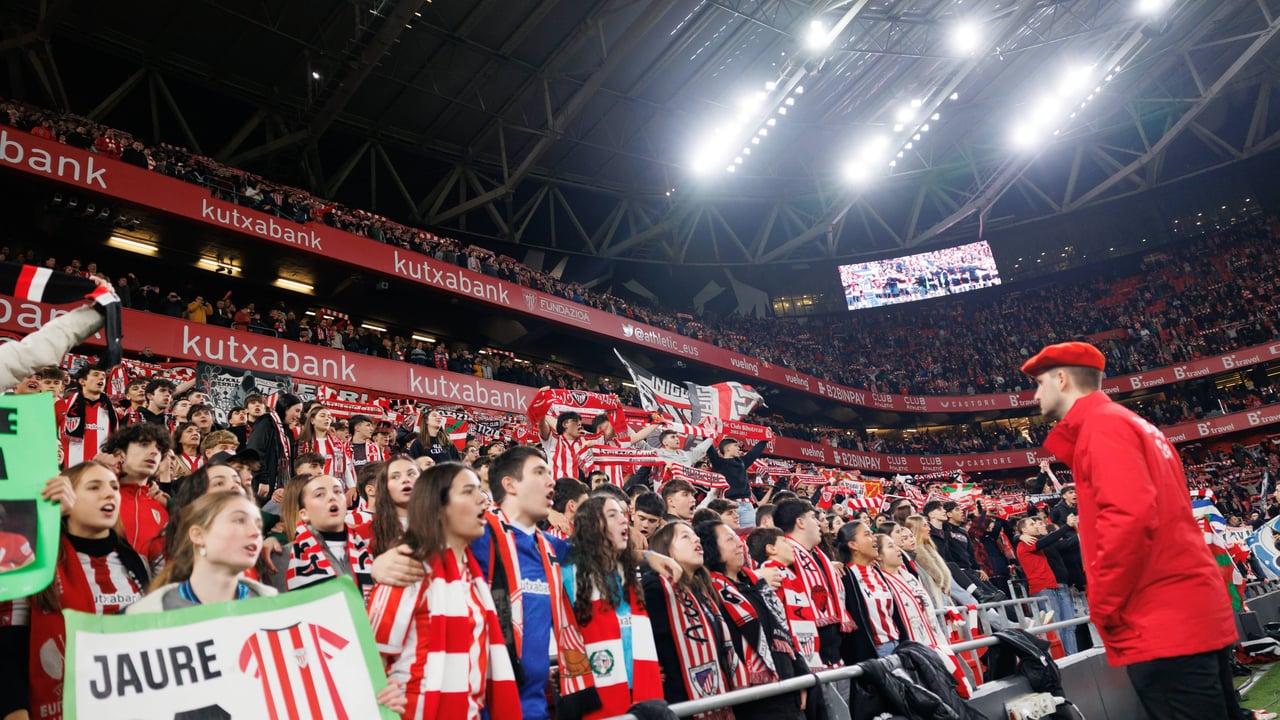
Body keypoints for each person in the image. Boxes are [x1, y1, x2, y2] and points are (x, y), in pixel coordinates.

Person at [1023, 341, 1240, 718]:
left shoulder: (1102, 427)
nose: (1036, 394)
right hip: (1183, 610)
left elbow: (1128, 521)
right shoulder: (1127, 423)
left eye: (1039, 383)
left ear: (1061, 378)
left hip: (1161, 618)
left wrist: (1104, 606)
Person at [366, 462, 517, 720]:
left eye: (480, 490)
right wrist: (375, 692)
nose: (483, 499)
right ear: (437, 508)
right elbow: (367, 658)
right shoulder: (407, 569)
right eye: (469, 491)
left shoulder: (472, 574)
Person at [0, 462, 148, 720]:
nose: (110, 493)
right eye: (94, 487)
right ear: (64, 498)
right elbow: (7, 651)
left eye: (114, 486)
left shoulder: (136, 561)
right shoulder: (32, 560)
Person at [695, 520, 808, 720]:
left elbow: (784, 633)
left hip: (788, 689)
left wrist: (801, 675)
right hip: (751, 700)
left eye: (738, 538)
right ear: (711, 548)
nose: (740, 544)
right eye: (730, 539)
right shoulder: (708, 593)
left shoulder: (756, 583)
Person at [561, 496, 662, 718]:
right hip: (595, 696)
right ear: (592, 524)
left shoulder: (626, 571)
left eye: (623, 514)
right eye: (612, 515)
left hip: (641, 694)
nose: (624, 521)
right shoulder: (567, 572)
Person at [642, 521, 748, 714]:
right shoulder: (654, 588)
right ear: (667, 550)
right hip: (680, 703)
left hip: (717, 697)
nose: (696, 539)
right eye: (685, 536)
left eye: (694, 535)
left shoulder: (704, 591)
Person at [775, 498, 852, 668]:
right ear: (800, 522)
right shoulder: (783, 555)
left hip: (835, 654)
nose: (818, 523)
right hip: (810, 656)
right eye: (813, 517)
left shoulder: (817, 554)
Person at [278, 473, 376, 599]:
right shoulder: (282, 557)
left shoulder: (371, 547)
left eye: (338, 491)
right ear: (304, 513)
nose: (332, 497)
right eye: (320, 494)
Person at [100, 422, 172, 562]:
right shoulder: (94, 495)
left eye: (159, 448)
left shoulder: (163, 506)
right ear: (119, 454)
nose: (154, 452)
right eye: (144, 444)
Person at [837, 521, 903, 659]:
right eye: (867, 534)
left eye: (872, 534)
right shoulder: (843, 575)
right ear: (853, 545)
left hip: (897, 644)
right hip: (874, 651)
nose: (874, 538)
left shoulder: (876, 571)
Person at [1014, 515, 1079, 655]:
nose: (1037, 526)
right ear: (1024, 530)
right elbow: (1049, 539)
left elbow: (1049, 541)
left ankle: (1073, 656)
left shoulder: (1031, 540)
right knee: (1057, 628)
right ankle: (1065, 659)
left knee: (1068, 625)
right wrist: (1067, 526)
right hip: (1043, 589)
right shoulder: (1026, 542)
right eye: (1032, 524)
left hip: (1052, 586)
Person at [58, 365, 120, 467]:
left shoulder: (111, 411)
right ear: (82, 381)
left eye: (103, 376)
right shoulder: (62, 406)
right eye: (95, 375)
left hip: (100, 474)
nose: (101, 378)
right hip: (70, 474)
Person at [246, 392, 302, 500]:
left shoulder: (287, 431)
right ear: (286, 408)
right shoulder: (265, 422)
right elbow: (254, 452)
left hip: (280, 488)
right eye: (297, 411)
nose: (298, 416)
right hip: (263, 486)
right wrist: (263, 479)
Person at [706, 437, 769, 529]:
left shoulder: (742, 462)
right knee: (730, 536)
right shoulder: (719, 463)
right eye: (735, 446)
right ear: (727, 448)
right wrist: (706, 434)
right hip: (729, 506)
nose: (738, 448)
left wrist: (765, 439)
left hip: (747, 506)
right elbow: (710, 450)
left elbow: (754, 452)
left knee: (749, 536)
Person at [296, 404, 356, 493]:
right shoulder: (303, 443)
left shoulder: (338, 443)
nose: (327, 419)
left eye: (329, 416)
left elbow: (345, 467)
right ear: (312, 420)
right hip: (309, 489)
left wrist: (352, 487)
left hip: (333, 489)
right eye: (322, 416)